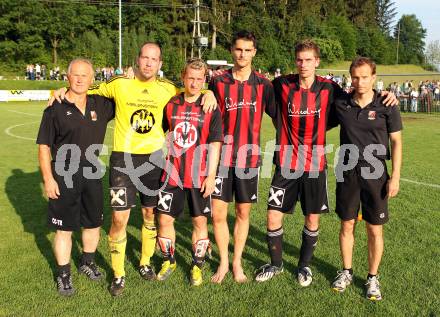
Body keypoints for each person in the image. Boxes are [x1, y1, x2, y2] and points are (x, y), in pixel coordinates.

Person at [50, 42, 217, 296]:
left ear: (160, 64)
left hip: (153, 161)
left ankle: (145, 262)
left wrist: (209, 93)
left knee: (150, 215)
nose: (149, 63)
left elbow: (193, 88)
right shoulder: (119, 83)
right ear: (137, 60)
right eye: (145, 58)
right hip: (123, 161)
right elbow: (83, 88)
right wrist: (60, 89)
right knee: (119, 218)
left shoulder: (169, 88)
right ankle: (118, 274)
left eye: (154, 59)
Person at [255, 40, 398, 287]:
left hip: (314, 165)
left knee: (312, 219)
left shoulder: (330, 89)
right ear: (295, 61)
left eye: (308, 59)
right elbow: (253, 84)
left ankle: (304, 266)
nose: (303, 64)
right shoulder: (282, 84)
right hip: (286, 164)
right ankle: (276, 264)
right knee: (272, 216)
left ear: (317, 62)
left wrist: (387, 94)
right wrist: (210, 89)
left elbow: (359, 95)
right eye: (299, 59)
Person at [37, 58, 115, 296]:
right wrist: (49, 179)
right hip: (63, 175)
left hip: (92, 173)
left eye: (85, 75)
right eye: (75, 75)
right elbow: (43, 148)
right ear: (67, 77)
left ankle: (87, 263)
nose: (80, 79)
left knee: (93, 223)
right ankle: (63, 274)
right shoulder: (54, 108)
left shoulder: (101, 105)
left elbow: (129, 94)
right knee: (65, 229)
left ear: (93, 79)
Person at [330, 57, 402, 301]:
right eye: (355, 77)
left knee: (374, 229)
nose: (360, 82)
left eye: (364, 76)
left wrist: (396, 177)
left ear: (374, 77)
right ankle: (347, 271)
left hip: (376, 175)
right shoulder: (341, 103)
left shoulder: (387, 104)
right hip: (347, 172)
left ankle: (372, 278)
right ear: (351, 77)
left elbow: (397, 142)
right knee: (347, 224)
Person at [209, 30, 276, 283]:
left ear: (254, 53)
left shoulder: (263, 85)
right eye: (239, 49)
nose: (243, 54)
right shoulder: (217, 82)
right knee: (217, 214)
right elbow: (205, 110)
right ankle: (224, 263)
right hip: (221, 159)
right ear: (231, 51)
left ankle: (237, 263)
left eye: (248, 50)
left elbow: (280, 117)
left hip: (249, 160)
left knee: (242, 213)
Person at [155, 58, 223, 286]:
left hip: (199, 175)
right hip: (172, 174)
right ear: (183, 77)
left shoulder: (210, 106)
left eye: (199, 79)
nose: (194, 83)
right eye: (190, 78)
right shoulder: (171, 104)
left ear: (205, 80)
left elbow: (215, 144)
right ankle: (169, 260)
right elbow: (159, 134)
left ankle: (197, 265)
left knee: (200, 223)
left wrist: (211, 176)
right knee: (164, 219)